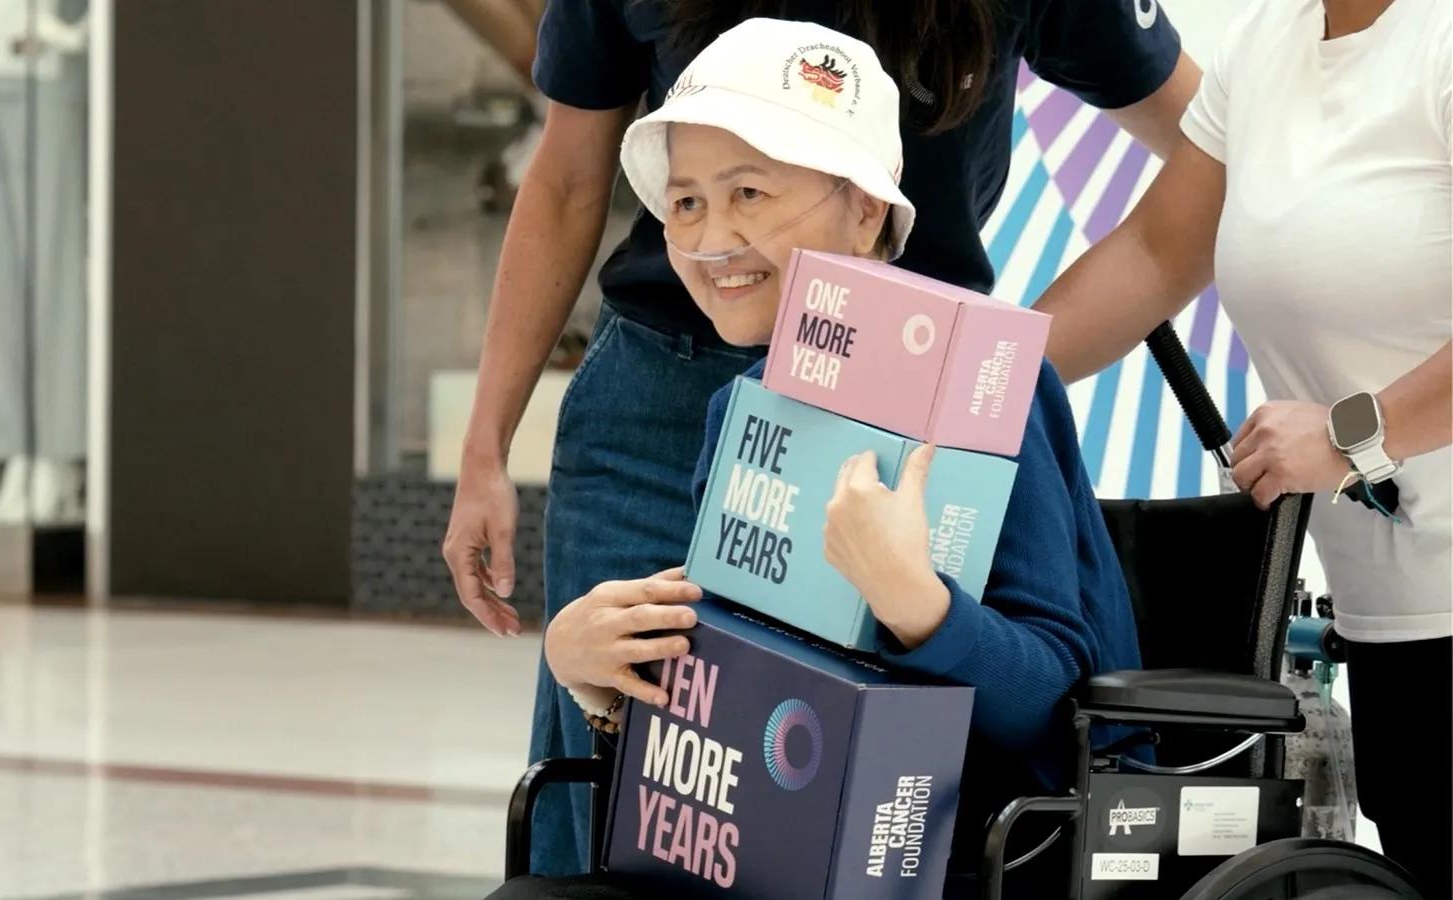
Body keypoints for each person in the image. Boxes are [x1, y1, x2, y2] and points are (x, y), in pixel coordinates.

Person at [442, 0, 1199, 876]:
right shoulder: (742, 414)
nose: (713, 237)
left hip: (963, 830)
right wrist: (589, 676)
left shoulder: (995, 412)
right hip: (680, 387)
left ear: (870, 213)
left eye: (751, 194)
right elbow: (721, 702)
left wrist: (921, 581)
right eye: (684, 203)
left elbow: (1049, 693)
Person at [1033, 0, 1451, 893]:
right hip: (1394, 608)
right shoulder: (1262, 46)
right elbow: (1154, 253)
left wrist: (1352, 434)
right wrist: (965, 376)